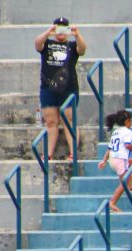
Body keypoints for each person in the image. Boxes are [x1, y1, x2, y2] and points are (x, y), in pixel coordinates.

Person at [34, 17, 86, 161]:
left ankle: (73, 152)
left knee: (69, 119)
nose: (61, 31)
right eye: (58, 27)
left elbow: (82, 50)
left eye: (64, 28)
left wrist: (77, 34)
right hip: (48, 88)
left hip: (68, 88)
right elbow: (38, 44)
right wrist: (48, 32)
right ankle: (49, 153)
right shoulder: (48, 44)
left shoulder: (71, 45)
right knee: (51, 121)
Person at [97, 110, 132, 213]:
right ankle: (112, 202)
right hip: (120, 160)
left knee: (131, 162)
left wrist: (104, 160)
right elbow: (127, 145)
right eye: (131, 121)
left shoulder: (115, 132)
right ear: (127, 121)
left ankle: (131, 183)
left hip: (112, 159)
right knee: (125, 184)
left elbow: (109, 148)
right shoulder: (128, 132)